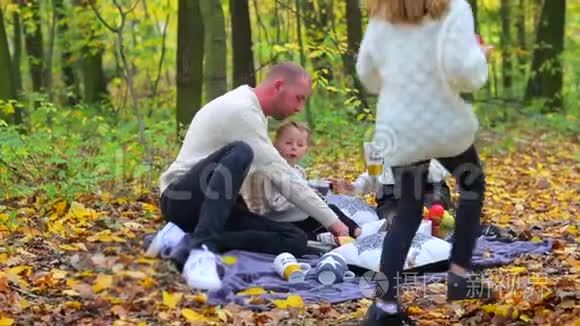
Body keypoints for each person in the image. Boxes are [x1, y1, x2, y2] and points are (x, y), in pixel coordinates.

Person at [356, 0, 494, 324]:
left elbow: (367, 75)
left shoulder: (382, 14)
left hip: (400, 127)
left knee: (406, 210)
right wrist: (481, 56)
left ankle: (385, 306)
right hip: (443, 123)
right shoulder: (454, 7)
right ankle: (459, 274)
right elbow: (464, 72)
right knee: (472, 185)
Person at [158, 62, 349, 291]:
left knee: (294, 239)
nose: (299, 108)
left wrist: (319, 216)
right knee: (241, 151)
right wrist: (333, 221)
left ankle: (185, 241)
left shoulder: (258, 115)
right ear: (279, 86)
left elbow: (260, 178)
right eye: (299, 98)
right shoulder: (241, 109)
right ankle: (201, 250)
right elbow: (280, 173)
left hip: (219, 207)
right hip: (183, 198)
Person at [244, 120, 362, 240]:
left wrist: (314, 192)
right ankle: (321, 238)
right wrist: (306, 200)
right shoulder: (270, 170)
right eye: (288, 143)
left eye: (300, 145)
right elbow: (274, 205)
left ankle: (357, 231)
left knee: (331, 209)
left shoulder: (299, 171)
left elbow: (303, 190)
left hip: (298, 217)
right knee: (297, 235)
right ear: (274, 144)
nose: (294, 147)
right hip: (278, 220)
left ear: (305, 150)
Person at [352, 159, 452, 229]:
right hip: (392, 197)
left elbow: (442, 168)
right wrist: (356, 187)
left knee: (433, 209)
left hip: (429, 189)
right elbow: (373, 173)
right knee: (392, 220)